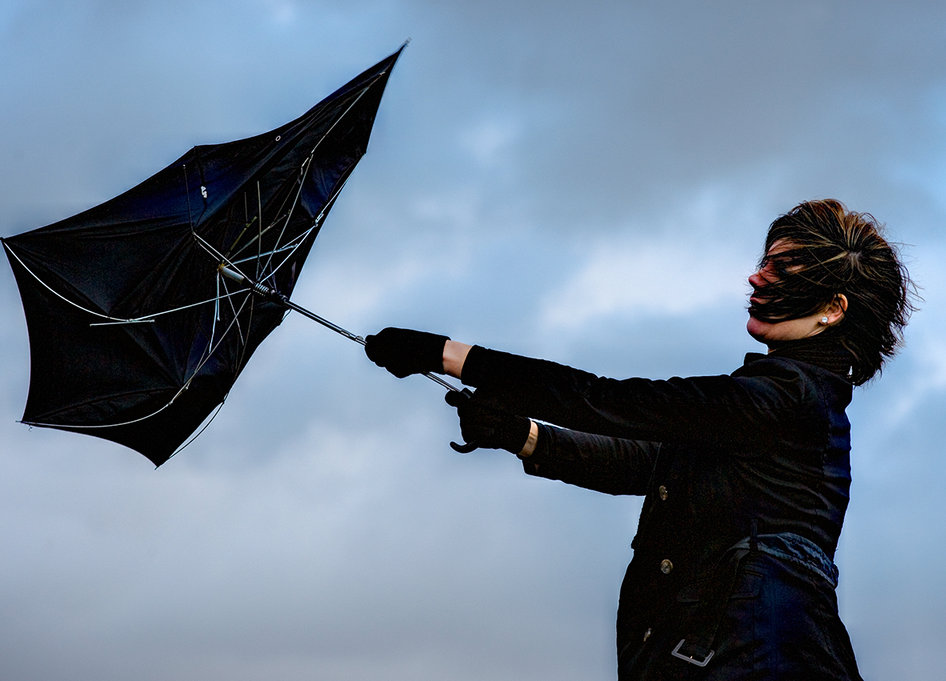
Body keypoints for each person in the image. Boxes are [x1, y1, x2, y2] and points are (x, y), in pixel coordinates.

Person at [364, 199, 915, 680]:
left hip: (749, 655)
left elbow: (615, 402)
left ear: (832, 310)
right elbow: (648, 462)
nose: (755, 278)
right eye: (762, 262)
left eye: (780, 269)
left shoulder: (788, 397)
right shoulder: (785, 402)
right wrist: (522, 434)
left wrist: (450, 355)